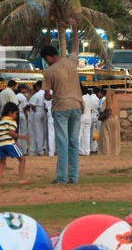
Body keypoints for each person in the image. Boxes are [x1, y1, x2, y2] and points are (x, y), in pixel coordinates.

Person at [42, 45, 83, 185]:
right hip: (77, 105)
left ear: (48, 57)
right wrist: (76, 27)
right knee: (74, 142)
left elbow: (47, 96)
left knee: (62, 142)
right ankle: (73, 176)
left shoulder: (49, 71)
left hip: (61, 107)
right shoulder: (71, 62)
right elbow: (75, 49)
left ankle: (61, 177)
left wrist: (53, 94)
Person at [0, 102, 29, 186]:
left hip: (1, 144)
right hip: (9, 143)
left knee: (2, 162)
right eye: (15, 113)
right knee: (22, 159)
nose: (16, 116)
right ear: (10, 112)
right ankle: (21, 179)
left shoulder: (1, 121)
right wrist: (22, 137)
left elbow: (2, 133)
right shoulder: (12, 121)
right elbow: (11, 132)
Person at [98, 86, 120, 156]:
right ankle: (115, 151)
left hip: (107, 120)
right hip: (115, 119)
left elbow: (101, 110)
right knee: (115, 136)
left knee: (106, 136)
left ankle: (106, 151)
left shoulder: (105, 102)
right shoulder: (116, 103)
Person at [79, 86, 98, 156]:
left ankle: (79, 150)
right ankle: (87, 151)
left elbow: (80, 108)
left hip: (82, 116)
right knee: (87, 135)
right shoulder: (89, 98)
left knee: (79, 135)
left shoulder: (81, 98)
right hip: (89, 117)